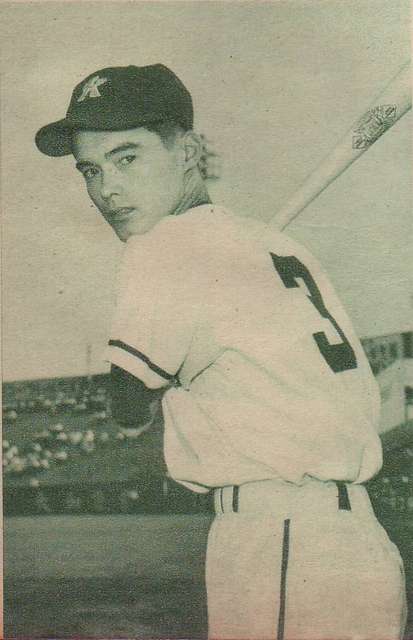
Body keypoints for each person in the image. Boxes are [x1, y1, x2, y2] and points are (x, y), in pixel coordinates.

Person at [35, 64, 407, 640]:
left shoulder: (167, 246)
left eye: (127, 157)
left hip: (280, 540)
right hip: (353, 542)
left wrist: (164, 392)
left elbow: (129, 406)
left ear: (187, 151)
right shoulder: (272, 244)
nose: (106, 188)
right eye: (91, 169)